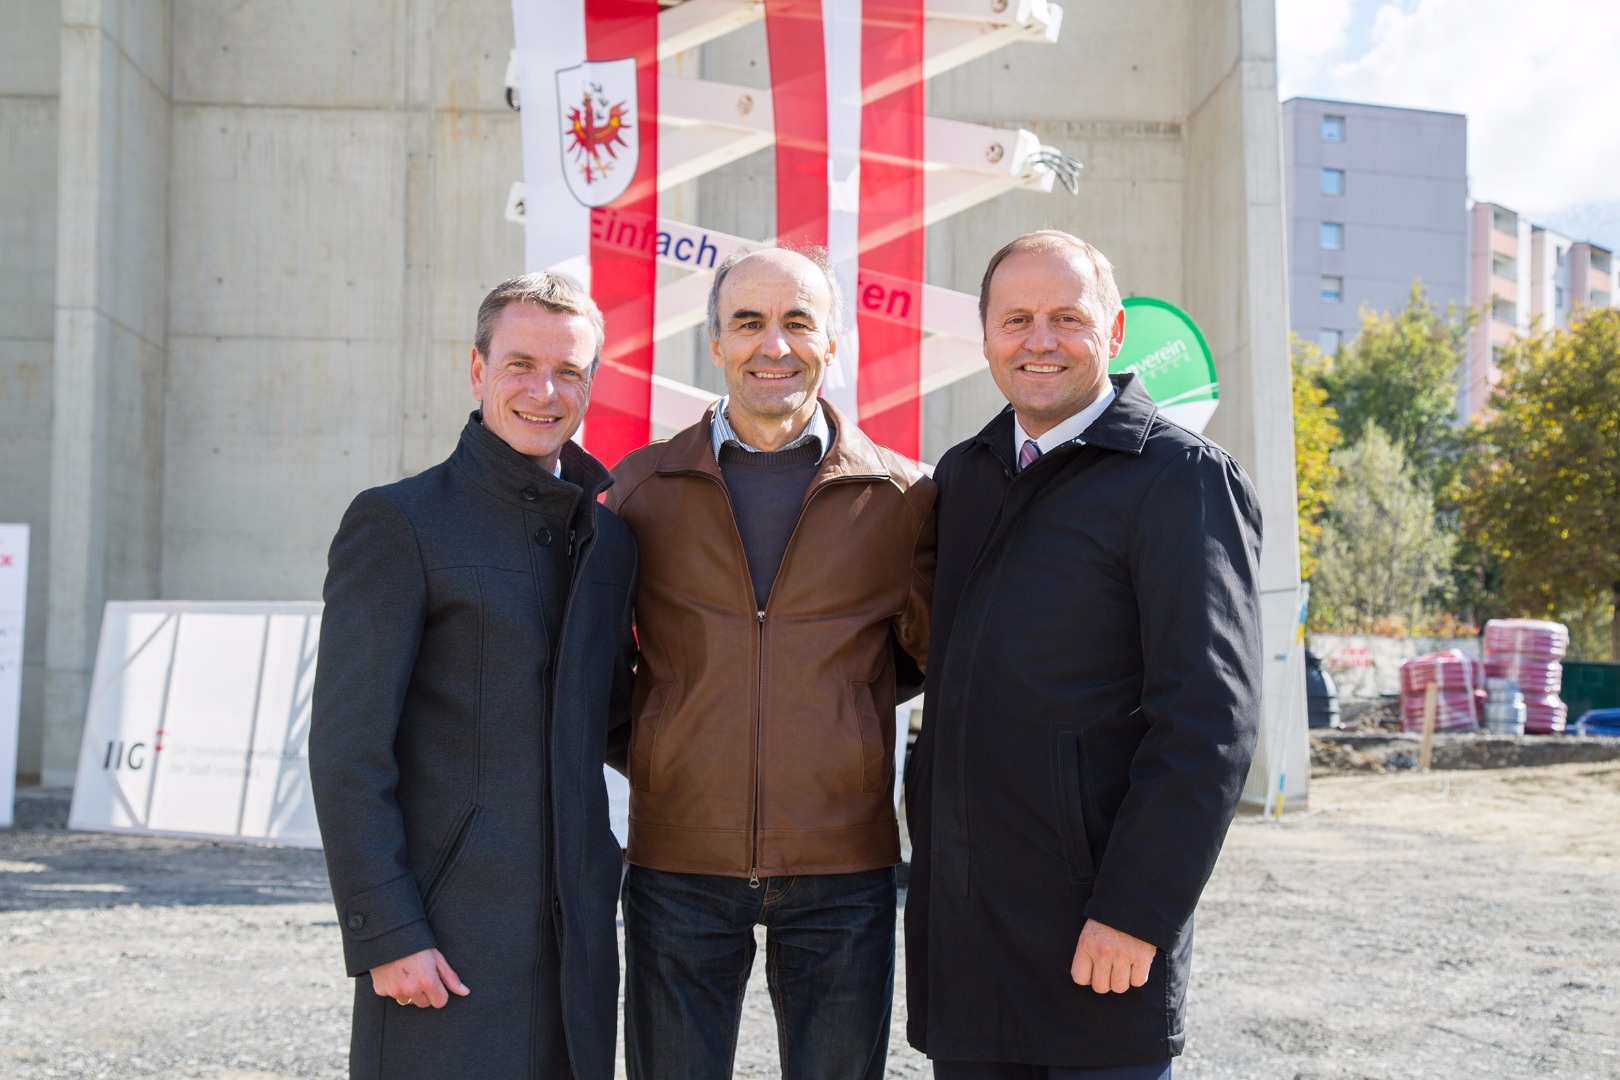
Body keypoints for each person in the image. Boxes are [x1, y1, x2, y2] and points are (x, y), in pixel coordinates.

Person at [904, 231, 1263, 1079]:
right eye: (1017, 318)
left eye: (1067, 317)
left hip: (1096, 946)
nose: (1040, 340)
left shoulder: (1180, 479)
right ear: (985, 334)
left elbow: (1210, 721)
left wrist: (1139, 912)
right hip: (966, 956)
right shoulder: (966, 476)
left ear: (1114, 331)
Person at [605, 247, 936, 1080]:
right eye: (748, 323)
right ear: (715, 343)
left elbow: (920, 654)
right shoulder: (642, 488)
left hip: (843, 866)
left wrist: (841, 731)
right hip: (677, 862)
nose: (773, 346)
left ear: (836, 342)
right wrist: (666, 753)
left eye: (797, 322)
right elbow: (603, 671)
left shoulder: (902, 496)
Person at [309, 272, 637, 1080]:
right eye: (521, 364)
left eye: (569, 371)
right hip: (446, 944)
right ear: (476, 369)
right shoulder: (399, 522)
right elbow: (348, 752)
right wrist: (388, 932)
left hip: (578, 948)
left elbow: (624, 719)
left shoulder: (611, 536)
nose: (544, 390)